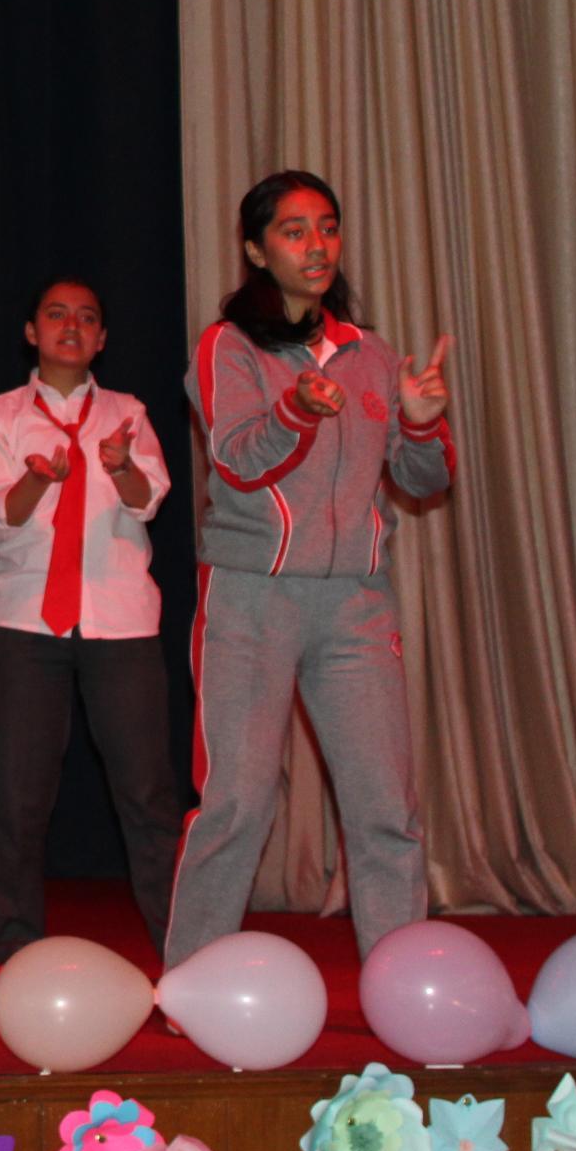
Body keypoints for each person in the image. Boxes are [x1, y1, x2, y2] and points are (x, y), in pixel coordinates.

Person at [167, 170, 452, 968]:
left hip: (356, 603)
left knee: (386, 808)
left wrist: (422, 425)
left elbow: (424, 481)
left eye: (327, 227)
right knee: (236, 801)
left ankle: (404, 986)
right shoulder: (228, 346)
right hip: (252, 598)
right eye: (294, 232)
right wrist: (296, 408)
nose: (316, 245)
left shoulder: (372, 353)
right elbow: (236, 459)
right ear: (258, 251)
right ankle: (191, 981)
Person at [0, 282, 180, 962]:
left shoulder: (128, 412)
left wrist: (120, 468)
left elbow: (150, 501)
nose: (71, 325)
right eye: (56, 314)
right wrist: (35, 478)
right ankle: (15, 950)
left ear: (102, 339)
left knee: (147, 794)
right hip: (28, 624)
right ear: (31, 331)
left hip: (121, 621)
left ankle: (182, 947)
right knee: (21, 798)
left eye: (88, 317)